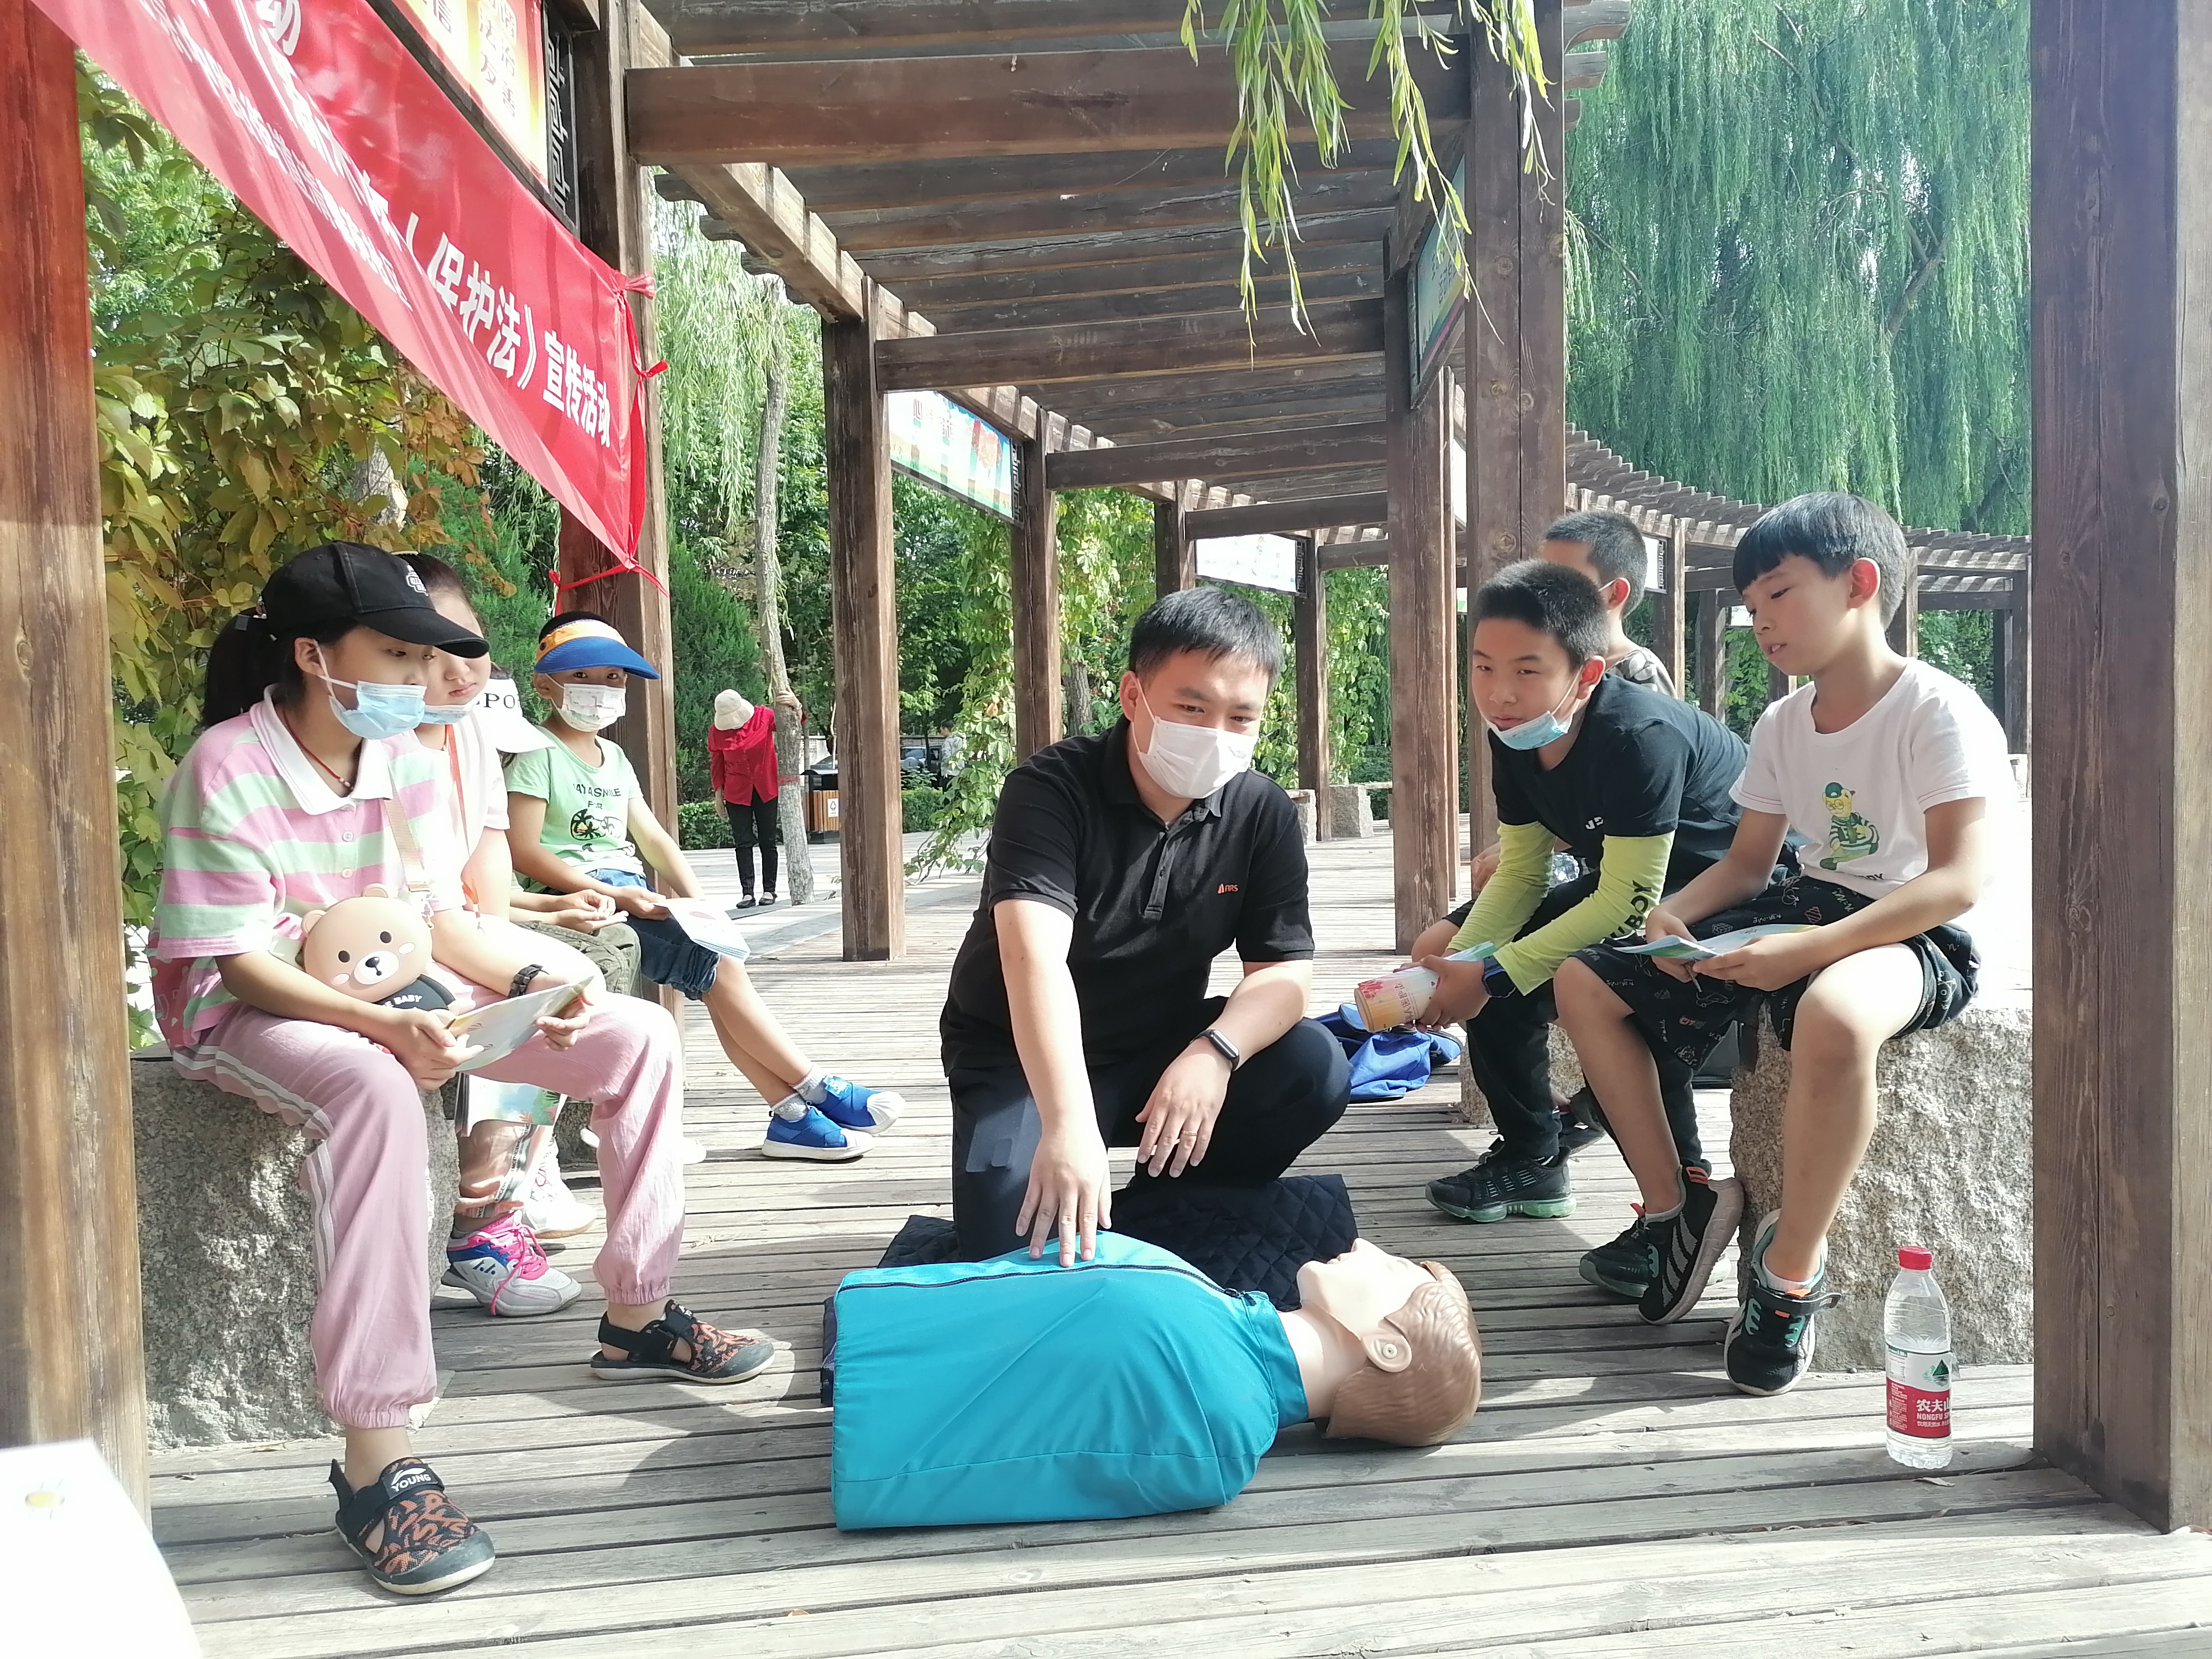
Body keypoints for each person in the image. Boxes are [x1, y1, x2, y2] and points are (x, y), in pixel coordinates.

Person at [152, 543, 775, 1597]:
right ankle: (377, 1462)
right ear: (313, 655)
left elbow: (438, 918)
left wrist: (541, 981)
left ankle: (637, 1316)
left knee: (634, 1035)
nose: (421, 677)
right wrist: (380, 1027)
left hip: (403, 996)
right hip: (249, 1010)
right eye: (397, 655)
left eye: (425, 656)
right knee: (372, 1088)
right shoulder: (227, 765)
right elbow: (240, 962)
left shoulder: (398, 759)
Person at [1554, 494, 2008, 1396]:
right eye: (1752, 605)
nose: (1761, 621)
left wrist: (1809, 951)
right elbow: (1748, 865)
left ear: (1860, 584)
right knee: (1587, 982)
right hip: (1801, 909)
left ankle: (1789, 1273)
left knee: (1835, 1016)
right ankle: (1678, 1207)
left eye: (1780, 595)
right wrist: (1674, 916)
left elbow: (1957, 880)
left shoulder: (1936, 711)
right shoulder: (1782, 724)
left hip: (1911, 930)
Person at [940, 586, 1352, 1262]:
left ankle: (1164, 1207)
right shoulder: (1050, 789)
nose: (1215, 734)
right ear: (1133, 695)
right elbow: (1032, 958)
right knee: (1011, 1251)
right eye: (1192, 708)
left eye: (1241, 717)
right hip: (1018, 1056)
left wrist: (1214, 1052)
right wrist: (1068, 1125)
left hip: (1159, 1048)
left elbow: (1283, 973)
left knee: (1313, 1065)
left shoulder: (1260, 812)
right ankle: (1088, 1199)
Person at [1413, 562, 1746, 1264]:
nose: (1499, 694)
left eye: (1526, 671)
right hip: (1635, 888)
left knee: (1624, 993)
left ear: (1587, 674)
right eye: (1483, 667)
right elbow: (1522, 873)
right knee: (1492, 978)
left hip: (1728, 893)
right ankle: (1533, 1156)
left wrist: (1491, 972)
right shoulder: (1514, 735)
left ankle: (1679, 1214)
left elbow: (1628, 901)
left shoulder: (1638, 735)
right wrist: (1462, 966)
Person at [503, 611, 902, 1161]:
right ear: (545, 685)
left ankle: (792, 1114)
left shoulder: (613, 757)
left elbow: (653, 838)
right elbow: (525, 850)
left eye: (613, 677)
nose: (601, 689)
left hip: (631, 894)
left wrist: (694, 900)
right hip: (581, 901)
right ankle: (812, 1087)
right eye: (582, 677)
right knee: (721, 970)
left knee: (720, 973)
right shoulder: (537, 752)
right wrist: (618, 895)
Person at [830, 1236, 1480, 1528]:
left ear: (1387, 1347)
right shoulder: (1218, 1419)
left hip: (874, 1387)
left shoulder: (1216, 1422)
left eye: (1394, 1270)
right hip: (873, 1418)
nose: (1366, 1247)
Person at [399, 556, 603, 1309]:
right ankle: (480, 1221)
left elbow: (485, 897)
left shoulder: (474, 741)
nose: (457, 670)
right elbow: (419, 912)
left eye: (468, 643)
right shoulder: (378, 748)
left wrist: (536, 929)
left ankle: (510, 1187)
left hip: (451, 930)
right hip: (386, 949)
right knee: (513, 992)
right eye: (427, 652)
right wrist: (514, 967)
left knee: (568, 979)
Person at [708, 686, 797, 910]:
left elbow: (792, 725)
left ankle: (770, 890)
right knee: (743, 842)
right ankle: (747, 892)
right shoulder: (716, 732)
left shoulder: (763, 716)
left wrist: (795, 705)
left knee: (768, 840)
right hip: (736, 792)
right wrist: (718, 794)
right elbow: (717, 763)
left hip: (765, 787)